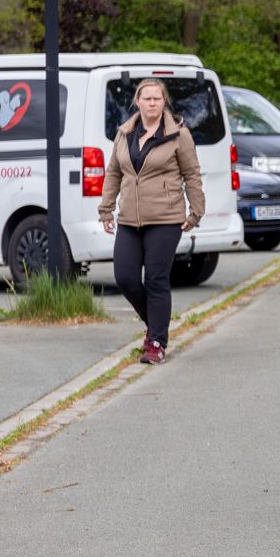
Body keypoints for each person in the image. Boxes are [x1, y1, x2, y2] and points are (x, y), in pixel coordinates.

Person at [97, 78, 205, 365]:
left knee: (156, 279)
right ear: (138, 102)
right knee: (126, 278)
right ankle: (157, 325)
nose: (152, 103)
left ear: (163, 101)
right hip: (129, 219)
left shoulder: (178, 134)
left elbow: (192, 174)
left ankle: (156, 342)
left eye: (157, 98)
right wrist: (106, 210)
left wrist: (196, 211)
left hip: (166, 218)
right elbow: (113, 173)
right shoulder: (124, 134)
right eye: (147, 98)